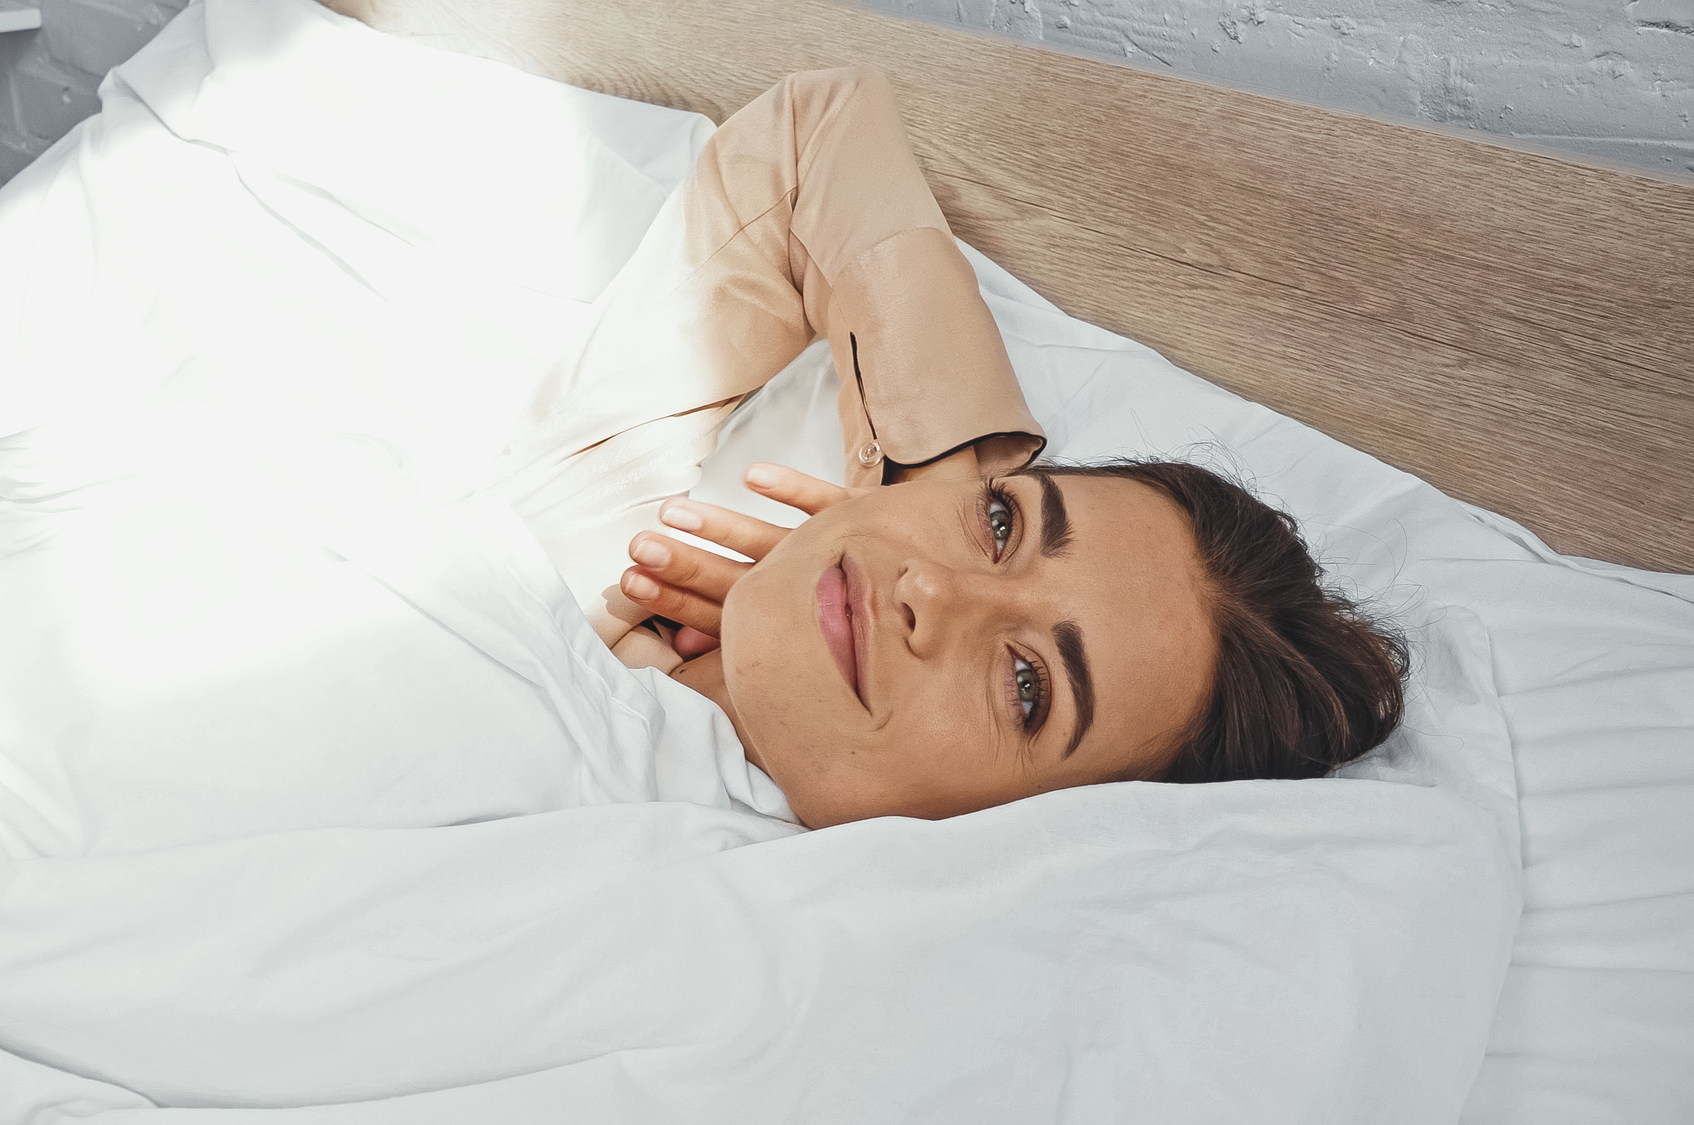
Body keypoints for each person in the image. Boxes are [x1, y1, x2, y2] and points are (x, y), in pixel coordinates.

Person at [491, 67, 1406, 829]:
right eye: (1005, 520)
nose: (930, 591)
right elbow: (823, 129)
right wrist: (891, 516)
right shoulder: (585, 537)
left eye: (1026, 685)